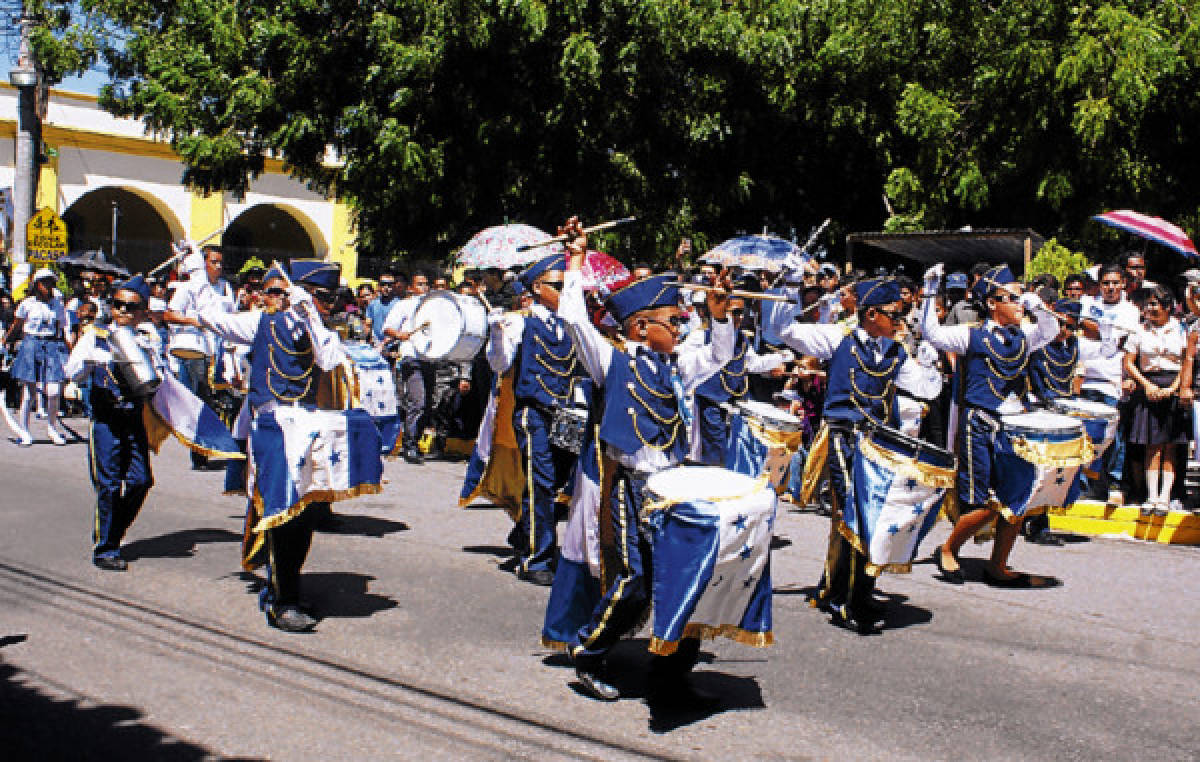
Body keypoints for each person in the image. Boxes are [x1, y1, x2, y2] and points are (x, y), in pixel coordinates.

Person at [554, 216, 735, 704]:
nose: (680, 327)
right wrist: (575, 259)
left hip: (673, 488)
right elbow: (573, 319)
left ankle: (673, 674)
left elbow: (720, 355)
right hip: (632, 487)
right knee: (635, 583)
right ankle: (588, 651)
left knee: (688, 578)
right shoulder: (611, 360)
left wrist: (719, 315)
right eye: (673, 321)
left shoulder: (679, 368)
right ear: (639, 326)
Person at [177, 262, 360, 632]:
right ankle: (282, 600)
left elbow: (328, 358)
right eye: (320, 298)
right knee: (282, 514)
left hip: (307, 430)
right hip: (271, 432)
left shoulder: (318, 329)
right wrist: (195, 276)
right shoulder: (258, 322)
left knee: (304, 516)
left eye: (328, 299)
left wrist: (309, 314)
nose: (328, 305)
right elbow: (211, 318)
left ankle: (287, 587)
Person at [771, 275, 940, 630]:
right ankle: (847, 600)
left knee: (873, 517)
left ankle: (848, 589)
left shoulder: (897, 353)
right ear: (872, 314)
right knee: (855, 514)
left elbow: (925, 390)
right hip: (842, 438)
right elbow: (783, 329)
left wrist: (931, 364)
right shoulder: (838, 339)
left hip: (878, 445)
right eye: (895, 315)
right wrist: (788, 287)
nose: (901, 322)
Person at [920, 264, 1060, 588]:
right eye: (1011, 298)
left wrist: (1038, 306)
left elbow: (1050, 331)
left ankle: (998, 565)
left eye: (1019, 297)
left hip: (1013, 426)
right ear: (993, 303)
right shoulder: (971, 334)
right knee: (983, 503)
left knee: (1018, 500)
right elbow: (933, 334)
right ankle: (949, 548)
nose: (1019, 303)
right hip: (979, 423)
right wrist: (929, 291)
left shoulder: (1024, 334)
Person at [486, 253, 589, 584]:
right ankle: (537, 557)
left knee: (566, 485)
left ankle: (524, 533)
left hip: (568, 416)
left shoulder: (571, 322)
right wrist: (498, 334)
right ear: (536, 287)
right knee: (540, 482)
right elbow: (500, 365)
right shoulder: (520, 321)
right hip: (535, 413)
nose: (563, 292)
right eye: (556, 286)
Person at [63, 276, 158, 571]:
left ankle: (113, 531)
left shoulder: (147, 337)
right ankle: (105, 547)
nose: (123, 312)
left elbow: (161, 379)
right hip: (106, 419)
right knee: (107, 484)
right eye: (118, 305)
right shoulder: (96, 335)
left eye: (131, 307)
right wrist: (92, 360)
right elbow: (72, 371)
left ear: (143, 311)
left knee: (141, 481)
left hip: (133, 419)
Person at [685, 295, 790, 465]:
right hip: (710, 404)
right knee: (713, 452)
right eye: (734, 312)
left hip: (735, 403)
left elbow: (752, 364)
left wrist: (779, 358)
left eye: (742, 312)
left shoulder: (741, 338)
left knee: (734, 449)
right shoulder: (700, 337)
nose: (740, 317)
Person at [164, 245, 236, 469]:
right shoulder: (189, 288)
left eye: (221, 262)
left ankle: (224, 445)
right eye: (214, 261)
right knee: (201, 401)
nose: (218, 266)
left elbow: (232, 317)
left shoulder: (225, 288)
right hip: (196, 349)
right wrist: (195, 322)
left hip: (221, 350)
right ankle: (199, 452)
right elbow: (169, 313)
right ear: (204, 263)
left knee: (226, 400)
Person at [1123, 285, 1189, 516]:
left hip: (1173, 384)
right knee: (1152, 445)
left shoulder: (1181, 330)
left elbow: (1186, 361)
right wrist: (1146, 385)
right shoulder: (1139, 331)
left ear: (1167, 307)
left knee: (1170, 445)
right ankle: (1151, 497)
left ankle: (1165, 497)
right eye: (1147, 304)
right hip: (1148, 384)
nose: (1149, 308)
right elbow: (1129, 362)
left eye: (1154, 304)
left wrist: (1174, 388)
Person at [1079, 264, 1141, 504]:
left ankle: (1114, 483)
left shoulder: (1130, 310)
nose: (1111, 288)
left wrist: (1099, 330)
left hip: (1113, 380)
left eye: (1115, 283)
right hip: (1086, 378)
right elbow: (1086, 328)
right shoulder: (1088, 303)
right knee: (1086, 434)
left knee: (1114, 436)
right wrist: (1105, 331)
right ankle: (1084, 482)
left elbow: (1120, 341)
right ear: (1100, 284)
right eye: (1106, 283)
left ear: (1123, 284)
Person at [5, 268, 72, 446]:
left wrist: (69, 349)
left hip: (51, 345)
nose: (47, 286)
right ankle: (25, 431)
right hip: (31, 343)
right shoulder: (27, 304)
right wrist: (6, 341)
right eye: (44, 282)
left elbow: (63, 328)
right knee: (29, 393)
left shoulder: (57, 305)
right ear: (36, 285)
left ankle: (52, 427)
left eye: (50, 282)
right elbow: (17, 325)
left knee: (54, 391)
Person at [382, 270, 432, 463]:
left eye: (426, 284)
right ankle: (409, 445)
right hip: (412, 357)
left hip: (431, 358)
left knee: (428, 405)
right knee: (417, 402)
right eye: (420, 284)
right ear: (411, 287)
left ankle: (417, 441)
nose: (424, 288)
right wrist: (400, 335)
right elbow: (387, 328)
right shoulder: (404, 305)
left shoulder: (435, 307)